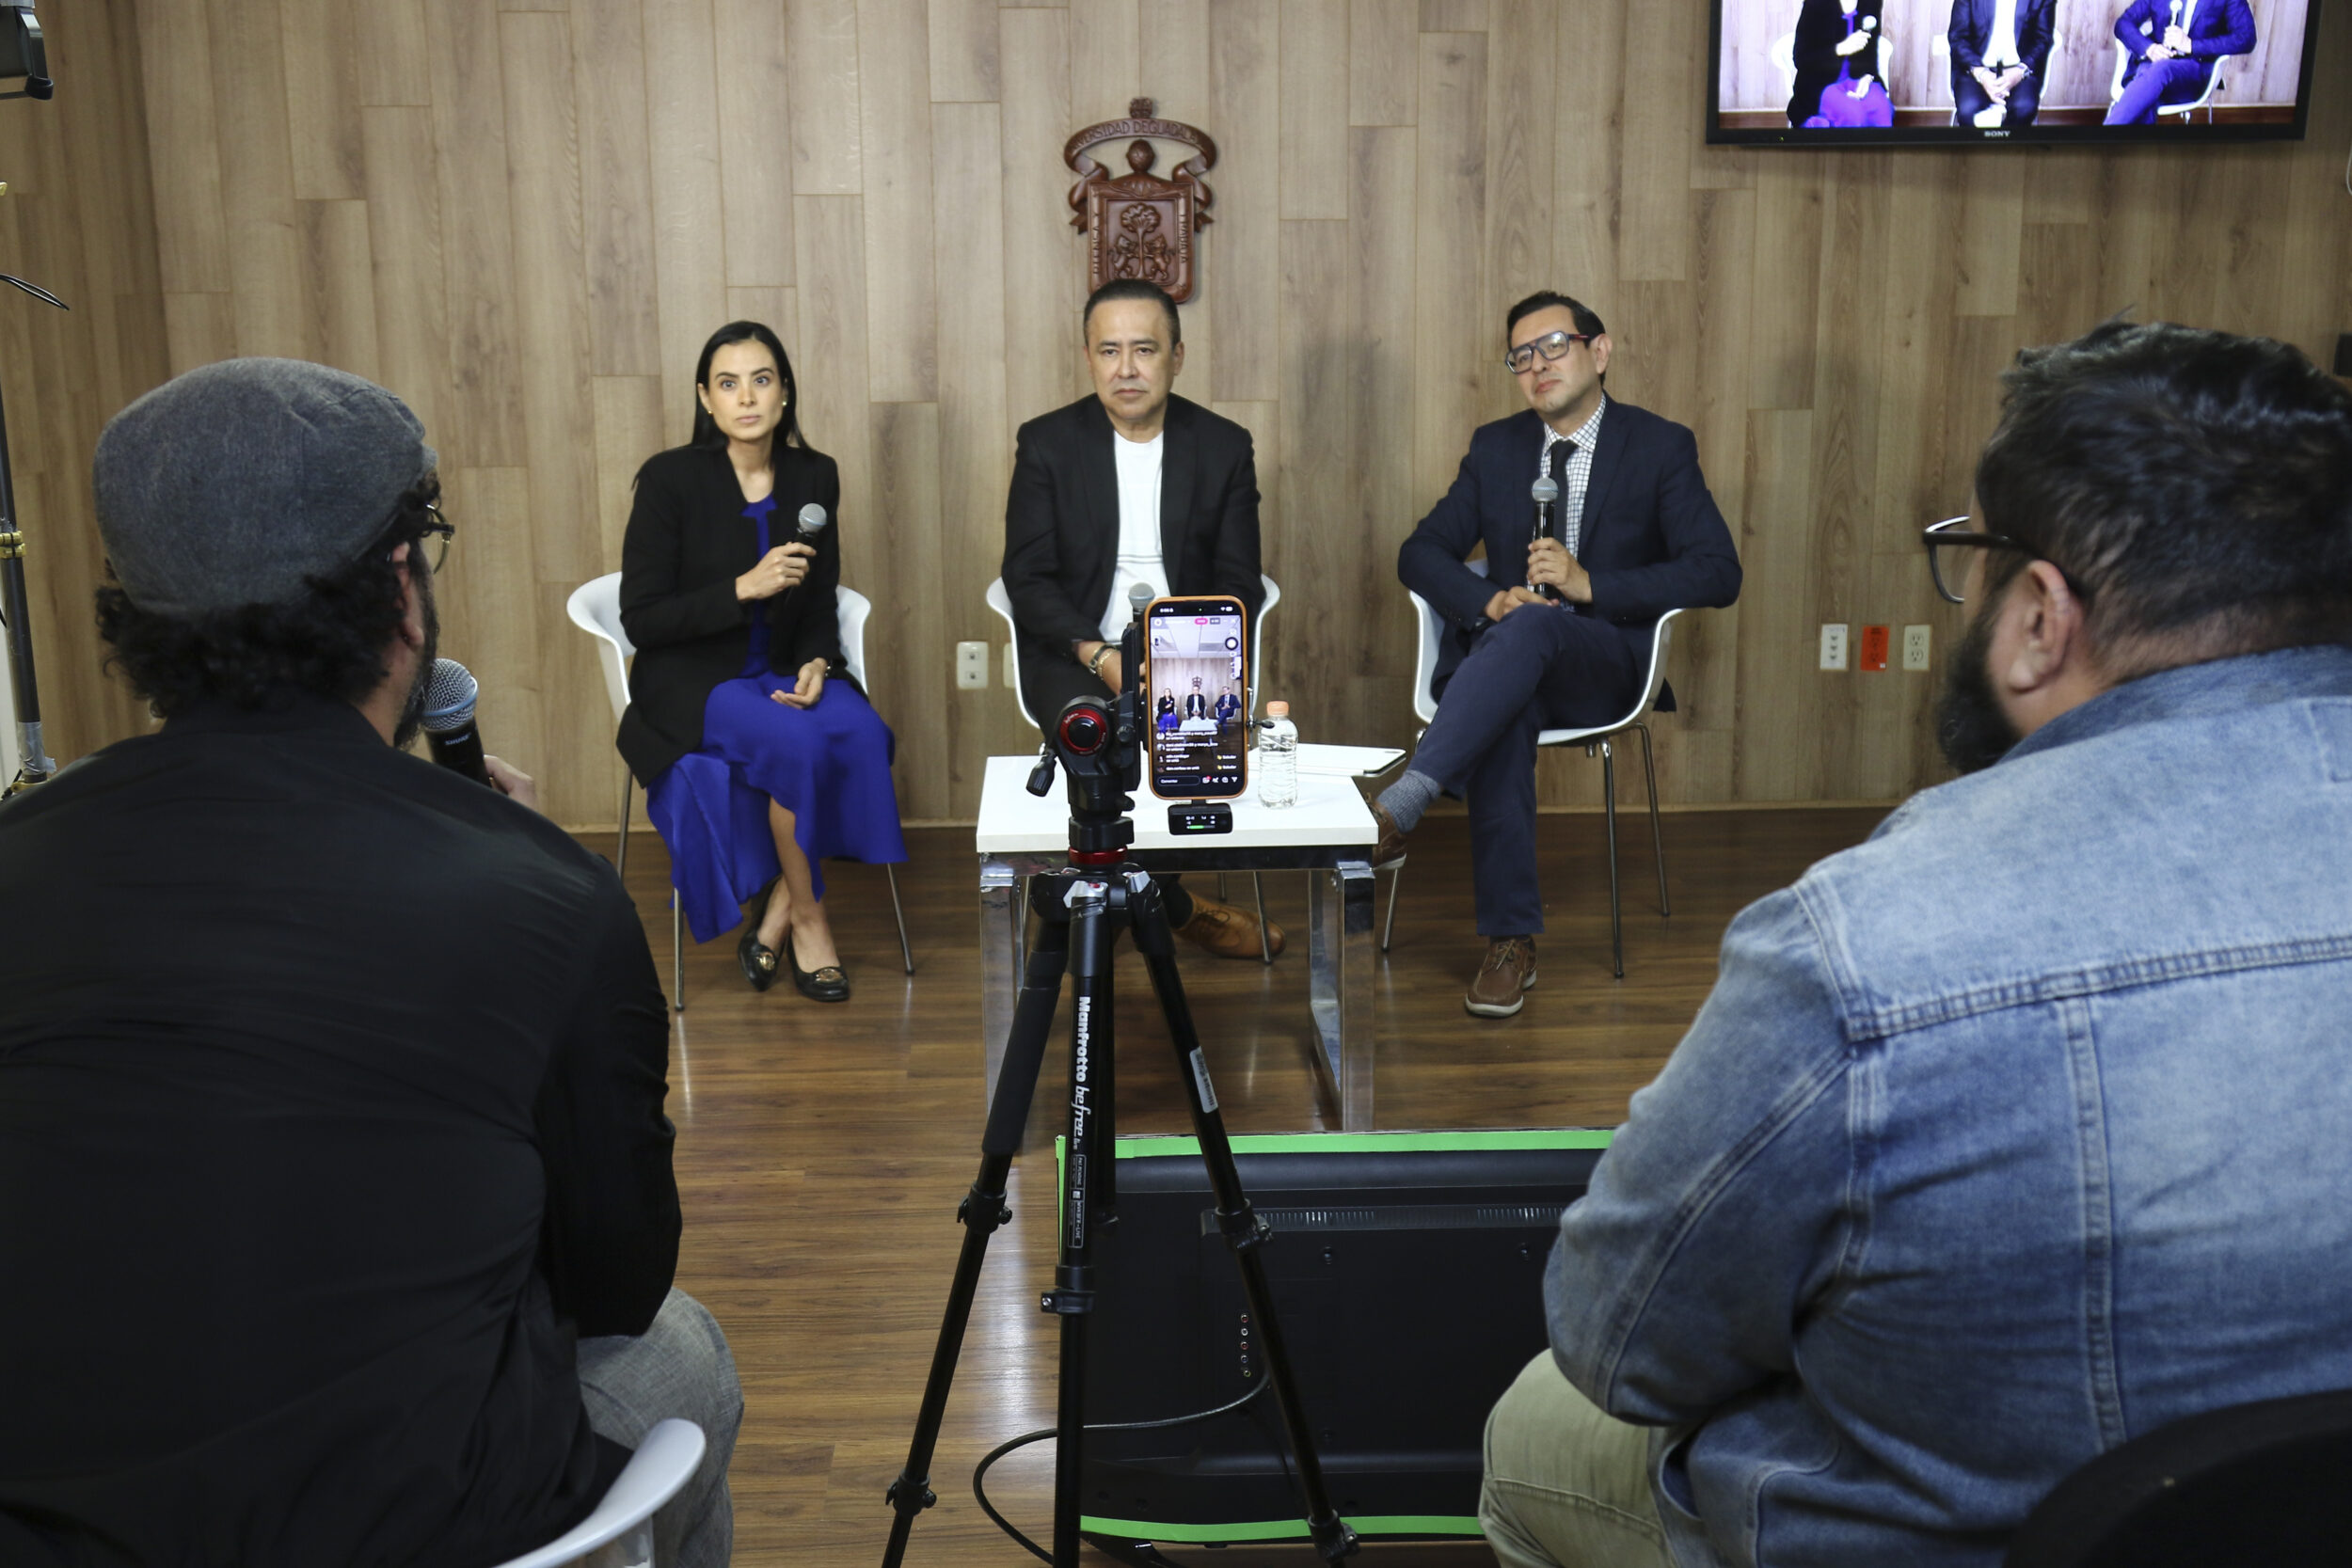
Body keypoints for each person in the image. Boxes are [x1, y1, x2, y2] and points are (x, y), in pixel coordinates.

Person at [1479, 321, 2352, 1568]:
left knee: (1530, 1431)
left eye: (1975, 563)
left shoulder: (1860, 949)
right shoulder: (1495, 450)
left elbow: (1618, 1340)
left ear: (2038, 618)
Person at [0, 358, 740, 1567]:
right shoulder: (544, 895)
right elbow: (616, 1280)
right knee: (681, 1348)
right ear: (401, 586)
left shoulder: (18, 853)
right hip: (405, 1526)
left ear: (135, 612)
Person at [1372, 293, 1740, 1017]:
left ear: (1599, 352)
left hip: (1606, 663)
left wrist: (1591, 584)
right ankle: (1510, 941)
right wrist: (1491, 603)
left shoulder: (1659, 446)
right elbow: (1421, 552)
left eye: (1554, 346)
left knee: (1534, 634)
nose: (1537, 364)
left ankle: (1406, 800)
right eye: (1521, 356)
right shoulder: (1497, 448)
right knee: (1511, 685)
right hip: (1509, 664)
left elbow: (1718, 571)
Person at [620, 320, 908, 1001]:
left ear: (785, 392)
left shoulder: (815, 474)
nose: (746, 397)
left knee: (864, 734)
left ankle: (776, 907)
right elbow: (643, 619)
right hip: (697, 680)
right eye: (728, 384)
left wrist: (819, 661)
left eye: (761, 380)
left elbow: (820, 594)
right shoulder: (668, 479)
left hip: (783, 664)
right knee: (798, 747)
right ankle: (808, 919)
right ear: (706, 398)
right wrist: (741, 588)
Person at [1001, 277, 1282, 958]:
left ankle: (1098, 917)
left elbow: (1239, 581)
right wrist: (1100, 655)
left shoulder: (1222, 445)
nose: (1125, 368)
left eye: (1145, 350)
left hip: (1189, 652)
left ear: (1176, 357)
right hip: (1073, 650)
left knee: (1188, 749)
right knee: (1095, 740)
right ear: (1088, 358)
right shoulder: (1047, 442)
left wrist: (1176, 659)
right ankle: (1180, 910)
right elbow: (1026, 577)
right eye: (1109, 351)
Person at [2105, 0, 2255, 124]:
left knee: (2158, 71)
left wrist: (2191, 45)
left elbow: (2246, 38)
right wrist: (2149, 48)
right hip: (2152, 67)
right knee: (2147, 96)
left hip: (2195, 69)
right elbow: (2123, 24)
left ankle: (2106, 136)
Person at [1948, 0, 2056, 127]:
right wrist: (1982, 73)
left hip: (2020, 69)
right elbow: (1957, 37)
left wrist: (2020, 70)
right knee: (1968, 108)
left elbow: (2043, 39)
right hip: (1975, 68)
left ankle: (2005, 139)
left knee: (2024, 107)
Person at [1788, 0, 1892, 129]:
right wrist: (1839, 50)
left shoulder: (1871, 3)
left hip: (1859, 77)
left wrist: (1868, 77)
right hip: (1820, 84)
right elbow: (1800, 58)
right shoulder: (1814, 4)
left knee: (1882, 110)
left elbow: (1871, 50)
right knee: (1854, 115)